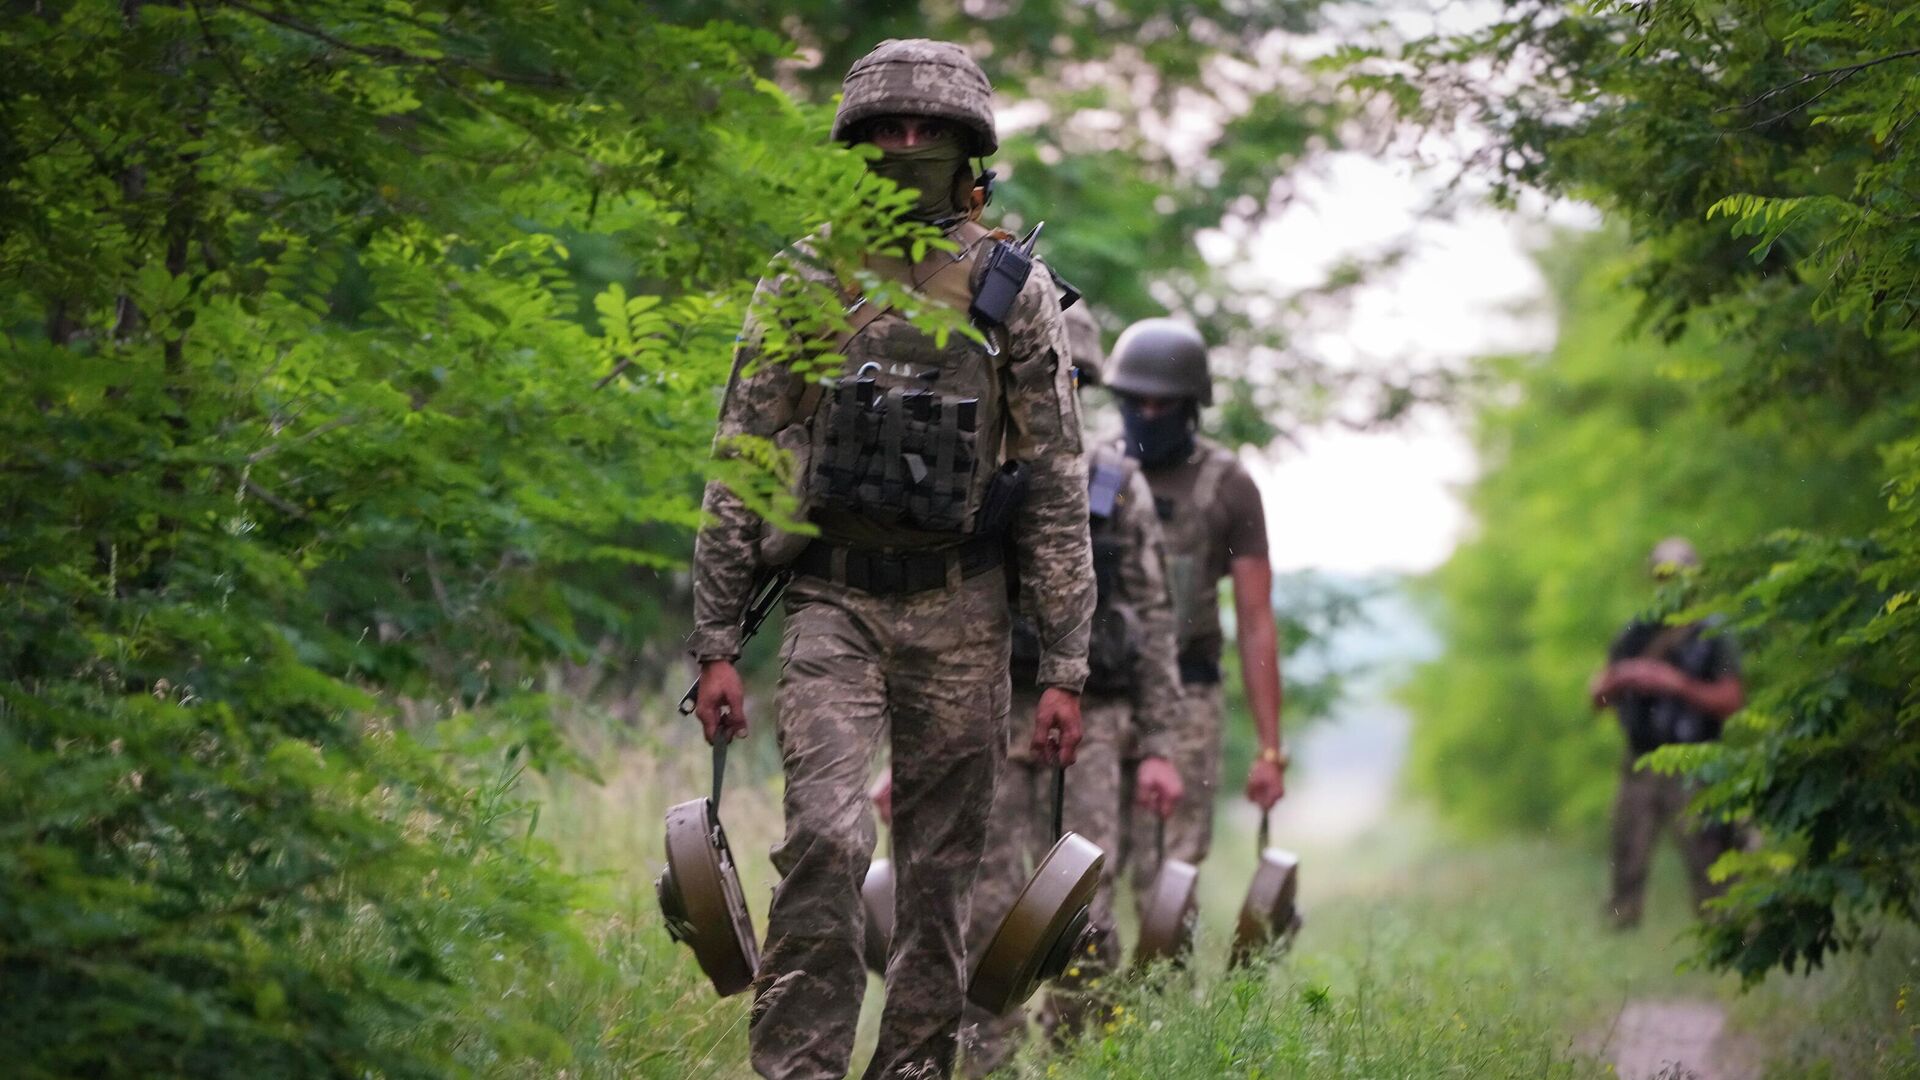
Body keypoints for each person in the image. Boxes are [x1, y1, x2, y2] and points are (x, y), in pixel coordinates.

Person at [686, 39, 1095, 1080]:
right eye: (889, 128)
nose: (909, 144)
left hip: (964, 608)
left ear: (967, 146)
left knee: (941, 875)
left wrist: (1064, 667)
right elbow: (740, 459)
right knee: (824, 841)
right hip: (835, 602)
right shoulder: (806, 277)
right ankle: (798, 1066)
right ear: (858, 142)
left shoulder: (1015, 291)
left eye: (929, 129)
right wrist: (715, 643)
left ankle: (913, 1067)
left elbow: (1055, 479)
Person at [873, 303, 1186, 1075]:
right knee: (977, 910)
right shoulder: (963, 469)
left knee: (1085, 915)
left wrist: (1160, 747)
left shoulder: (1118, 484)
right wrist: (896, 755)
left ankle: (1084, 1064)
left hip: (1093, 722)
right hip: (982, 710)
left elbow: (1153, 618)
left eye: (1070, 378)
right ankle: (986, 1065)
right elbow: (914, 622)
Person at [1102, 318, 1288, 897]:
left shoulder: (1228, 485)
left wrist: (1270, 749)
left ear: (1190, 406)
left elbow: (1255, 622)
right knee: (1084, 871)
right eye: (1137, 402)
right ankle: (1087, 966)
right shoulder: (1096, 471)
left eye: (1163, 404)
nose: (1148, 415)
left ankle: (1166, 964)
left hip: (1188, 695)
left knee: (1169, 877)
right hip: (1101, 693)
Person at [1589, 537, 1745, 929]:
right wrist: (1622, 679)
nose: (1670, 583)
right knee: (1626, 857)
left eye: (1678, 575)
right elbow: (1597, 698)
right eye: (1663, 576)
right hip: (1640, 762)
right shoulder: (1636, 634)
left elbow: (1731, 699)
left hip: (1695, 765)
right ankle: (1621, 930)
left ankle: (1722, 933)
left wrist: (1675, 684)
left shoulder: (1713, 634)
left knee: (1710, 861)